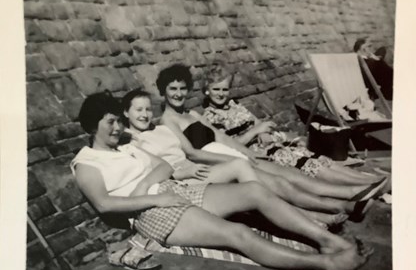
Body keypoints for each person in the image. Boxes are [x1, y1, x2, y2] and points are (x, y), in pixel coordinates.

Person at [71, 91, 372, 270]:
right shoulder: (86, 162)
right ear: (91, 125)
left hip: (169, 190)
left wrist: (146, 185)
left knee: (255, 191)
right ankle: (328, 265)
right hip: (151, 212)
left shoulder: (126, 147)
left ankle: (332, 242)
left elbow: (163, 166)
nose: (117, 128)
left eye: (117, 122)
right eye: (110, 122)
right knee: (237, 233)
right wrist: (151, 199)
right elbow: (104, 204)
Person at [156, 64, 387, 216]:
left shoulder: (193, 114)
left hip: (233, 155)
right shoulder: (168, 120)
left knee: (290, 176)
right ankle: (345, 199)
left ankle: (351, 197)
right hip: (218, 163)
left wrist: (247, 153)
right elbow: (192, 153)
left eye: (182, 88)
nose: (178, 93)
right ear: (163, 91)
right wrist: (236, 158)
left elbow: (222, 137)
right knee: (280, 184)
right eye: (173, 89)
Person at [121, 88, 351, 226]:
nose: (144, 114)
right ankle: (311, 216)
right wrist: (183, 171)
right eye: (138, 110)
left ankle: (312, 212)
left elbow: (190, 152)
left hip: (195, 168)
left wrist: (227, 159)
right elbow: (154, 171)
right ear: (126, 113)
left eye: (147, 109)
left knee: (245, 168)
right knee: (250, 174)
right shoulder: (132, 141)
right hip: (180, 179)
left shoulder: (160, 129)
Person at [201, 66, 384, 183]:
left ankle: (368, 180)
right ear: (206, 91)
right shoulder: (211, 116)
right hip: (255, 152)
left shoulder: (234, 104)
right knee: (303, 162)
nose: (221, 93)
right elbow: (228, 145)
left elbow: (255, 121)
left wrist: (261, 130)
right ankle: (361, 184)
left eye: (224, 89)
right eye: (216, 89)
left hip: (267, 142)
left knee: (313, 156)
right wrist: (256, 131)